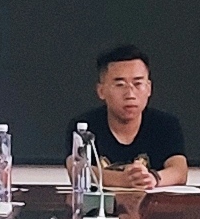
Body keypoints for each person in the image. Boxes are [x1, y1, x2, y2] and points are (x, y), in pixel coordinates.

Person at [72, 42, 191, 191]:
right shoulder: (85, 126)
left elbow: (179, 170)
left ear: (149, 88)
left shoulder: (166, 124)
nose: (130, 94)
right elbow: (77, 170)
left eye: (138, 84)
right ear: (101, 91)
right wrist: (123, 180)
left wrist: (152, 178)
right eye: (120, 85)